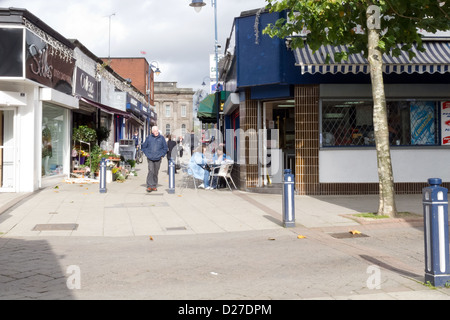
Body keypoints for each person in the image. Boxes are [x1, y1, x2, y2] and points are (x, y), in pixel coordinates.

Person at [141, 126, 168, 192]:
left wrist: (162, 155)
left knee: (155, 172)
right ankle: (149, 186)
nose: (156, 132)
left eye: (157, 130)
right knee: (151, 171)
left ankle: (154, 185)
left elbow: (165, 148)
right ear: (152, 132)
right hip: (150, 158)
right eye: (155, 131)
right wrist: (147, 154)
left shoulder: (161, 138)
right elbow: (144, 147)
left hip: (158, 158)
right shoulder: (149, 138)